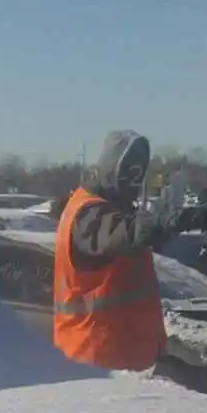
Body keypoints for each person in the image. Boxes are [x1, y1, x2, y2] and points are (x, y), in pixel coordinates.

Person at [53, 131, 167, 371]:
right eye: (129, 171)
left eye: (139, 172)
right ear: (110, 169)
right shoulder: (89, 214)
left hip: (122, 360)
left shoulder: (110, 209)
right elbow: (122, 235)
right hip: (96, 363)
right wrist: (165, 221)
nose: (135, 181)